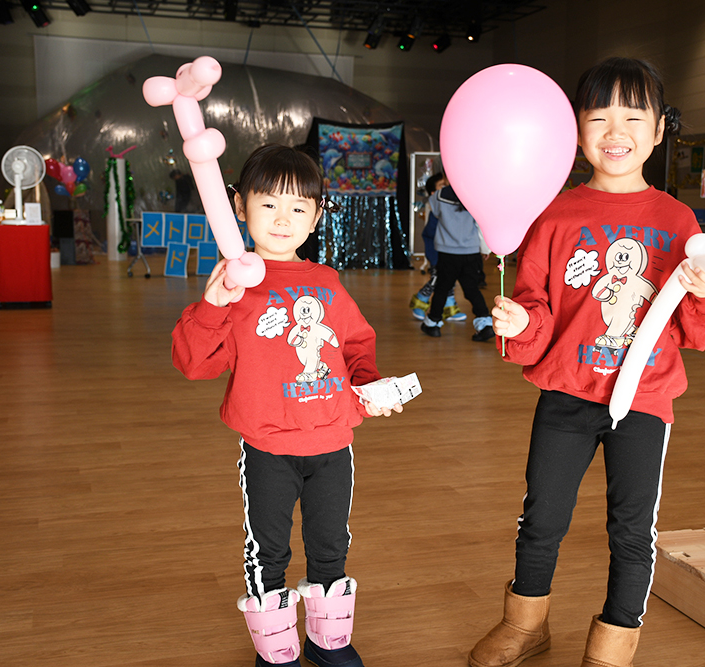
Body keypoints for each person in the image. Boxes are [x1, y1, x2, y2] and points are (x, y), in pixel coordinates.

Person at [469, 57, 705, 667]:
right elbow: (537, 304)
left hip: (644, 397)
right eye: (598, 118)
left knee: (632, 528)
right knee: (542, 516)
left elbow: (697, 327)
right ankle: (525, 624)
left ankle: (615, 642)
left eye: (633, 118)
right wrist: (522, 324)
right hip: (566, 393)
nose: (616, 132)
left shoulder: (676, 220)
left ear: (659, 130)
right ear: (575, 131)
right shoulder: (554, 215)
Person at [171, 144, 402, 667]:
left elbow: (355, 345)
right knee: (268, 551)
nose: (283, 219)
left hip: (333, 444)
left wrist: (369, 385)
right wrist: (212, 305)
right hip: (268, 448)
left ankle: (327, 641)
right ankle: (275, 650)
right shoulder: (235, 286)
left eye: (298, 207)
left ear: (316, 217)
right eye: (269, 204)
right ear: (239, 205)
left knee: (331, 545)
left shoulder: (327, 282)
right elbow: (193, 363)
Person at [420, 182, 494, 341]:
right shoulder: (475, 196)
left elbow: (434, 215)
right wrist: (485, 248)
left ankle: (433, 323)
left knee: (442, 288)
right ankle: (485, 323)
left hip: (447, 252)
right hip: (471, 251)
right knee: (472, 289)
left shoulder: (439, 196)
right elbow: (481, 225)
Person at [410, 173, 466, 322]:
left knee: (449, 280)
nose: (447, 189)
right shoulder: (437, 210)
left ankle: (449, 308)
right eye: (443, 186)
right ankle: (420, 301)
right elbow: (430, 234)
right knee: (437, 279)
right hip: (437, 252)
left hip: (449, 251)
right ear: (434, 193)